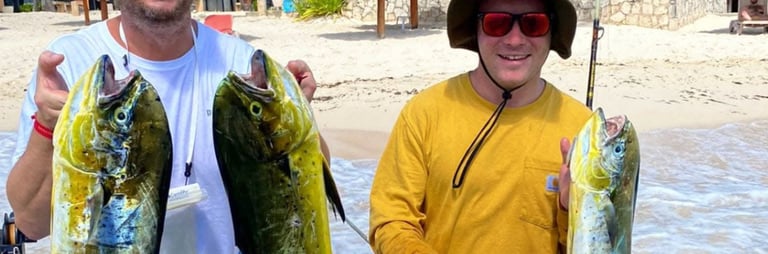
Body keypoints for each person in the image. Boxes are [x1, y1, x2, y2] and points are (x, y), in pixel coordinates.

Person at [5, 0, 329, 251]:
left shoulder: (243, 66)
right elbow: (32, 223)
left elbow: (306, 202)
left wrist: (299, 118)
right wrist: (46, 127)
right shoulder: (71, 64)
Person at [368, 0, 593, 253]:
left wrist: (569, 209)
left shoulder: (586, 132)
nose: (515, 40)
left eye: (534, 24)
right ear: (475, 30)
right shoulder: (424, 113)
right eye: (496, 24)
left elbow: (600, 241)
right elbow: (391, 220)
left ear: (552, 31)